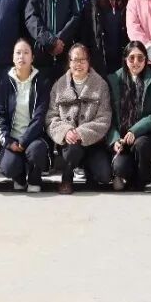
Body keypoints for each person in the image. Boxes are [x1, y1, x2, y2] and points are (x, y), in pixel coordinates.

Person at [46, 44, 113, 194]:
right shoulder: (59, 86)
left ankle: (88, 169)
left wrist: (81, 132)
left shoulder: (101, 85)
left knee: (104, 175)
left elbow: (104, 117)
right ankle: (66, 178)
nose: (79, 64)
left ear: (89, 62)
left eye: (83, 60)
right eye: (75, 60)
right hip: (69, 144)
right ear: (69, 62)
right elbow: (51, 117)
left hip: (93, 143)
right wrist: (66, 131)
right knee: (73, 149)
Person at [106, 41, 151, 192]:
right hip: (123, 140)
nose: (136, 62)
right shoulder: (114, 80)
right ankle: (132, 176)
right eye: (131, 58)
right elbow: (108, 117)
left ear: (146, 60)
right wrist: (114, 140)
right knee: (120, 167)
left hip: (147, 138)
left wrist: (135, 130)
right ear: (125, 59)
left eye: (140, 58)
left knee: (141, 145)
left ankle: (146, 179)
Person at [0, 38, 51, 192]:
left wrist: (24, 141)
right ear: (13, 57)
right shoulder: (5, 81)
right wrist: (7, 141)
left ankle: (34, 178)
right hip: (12, 139)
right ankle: (19, 177)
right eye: (18, 53)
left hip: (34, 139)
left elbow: (40, 117)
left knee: (37, 150)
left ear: (32, 58)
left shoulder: (41, 82)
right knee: (8, 167)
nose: (21, 56)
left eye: (26, 53)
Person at [80, 0, 129, 77]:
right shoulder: (92, 3)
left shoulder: (126, 1)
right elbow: (85, 34)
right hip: (100, 60)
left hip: (122, 60)